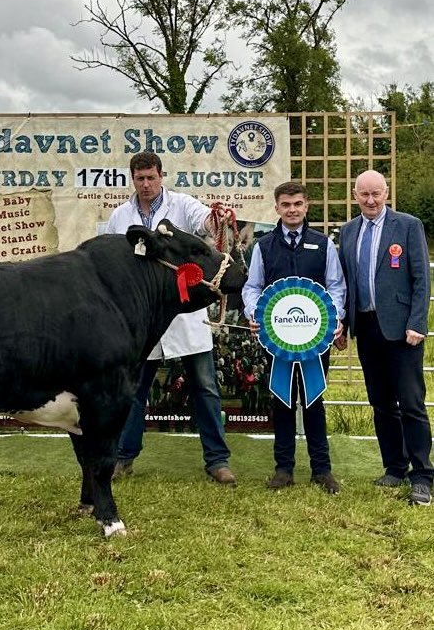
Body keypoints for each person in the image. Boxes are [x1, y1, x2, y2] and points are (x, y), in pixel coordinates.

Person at [107, 152, 236, 485]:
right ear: (132, 179)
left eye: (151, 177)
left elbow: (204, 222)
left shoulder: (181, 205)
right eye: (140, 178)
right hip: (143, 322)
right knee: (134, 392)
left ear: (161, 176)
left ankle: (217, 461)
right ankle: (124, 457)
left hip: (185, 317)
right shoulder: (119, 217)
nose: (146, 184)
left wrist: (216, 219)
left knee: (205, 388)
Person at [242, 181, 346, 493]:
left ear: (306, 206)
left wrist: (336, 316)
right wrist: (253, 312)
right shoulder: (263, 246)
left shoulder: (323, 244)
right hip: (278, 340)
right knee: (282, 401)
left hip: (315, 339)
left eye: (297, 204)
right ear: (277, 208)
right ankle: (283, 469)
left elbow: (336, 285)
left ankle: (322, 470)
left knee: (314, 400)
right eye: (286, 205)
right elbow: (252, 287)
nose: (292, 210)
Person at [338, 170, 433, 505]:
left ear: (387, 192)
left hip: (403, 330)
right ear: (354, 195)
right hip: (366, 327)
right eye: (364, 194)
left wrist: (418, 323)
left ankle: (422, 475)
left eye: (376, 193)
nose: (370, 200)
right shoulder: (347, 231)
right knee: (381, 404)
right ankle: (394, 467)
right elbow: (346, 282)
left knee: (411, 403)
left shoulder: (408, 225)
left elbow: (421, 278)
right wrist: (342, 324)